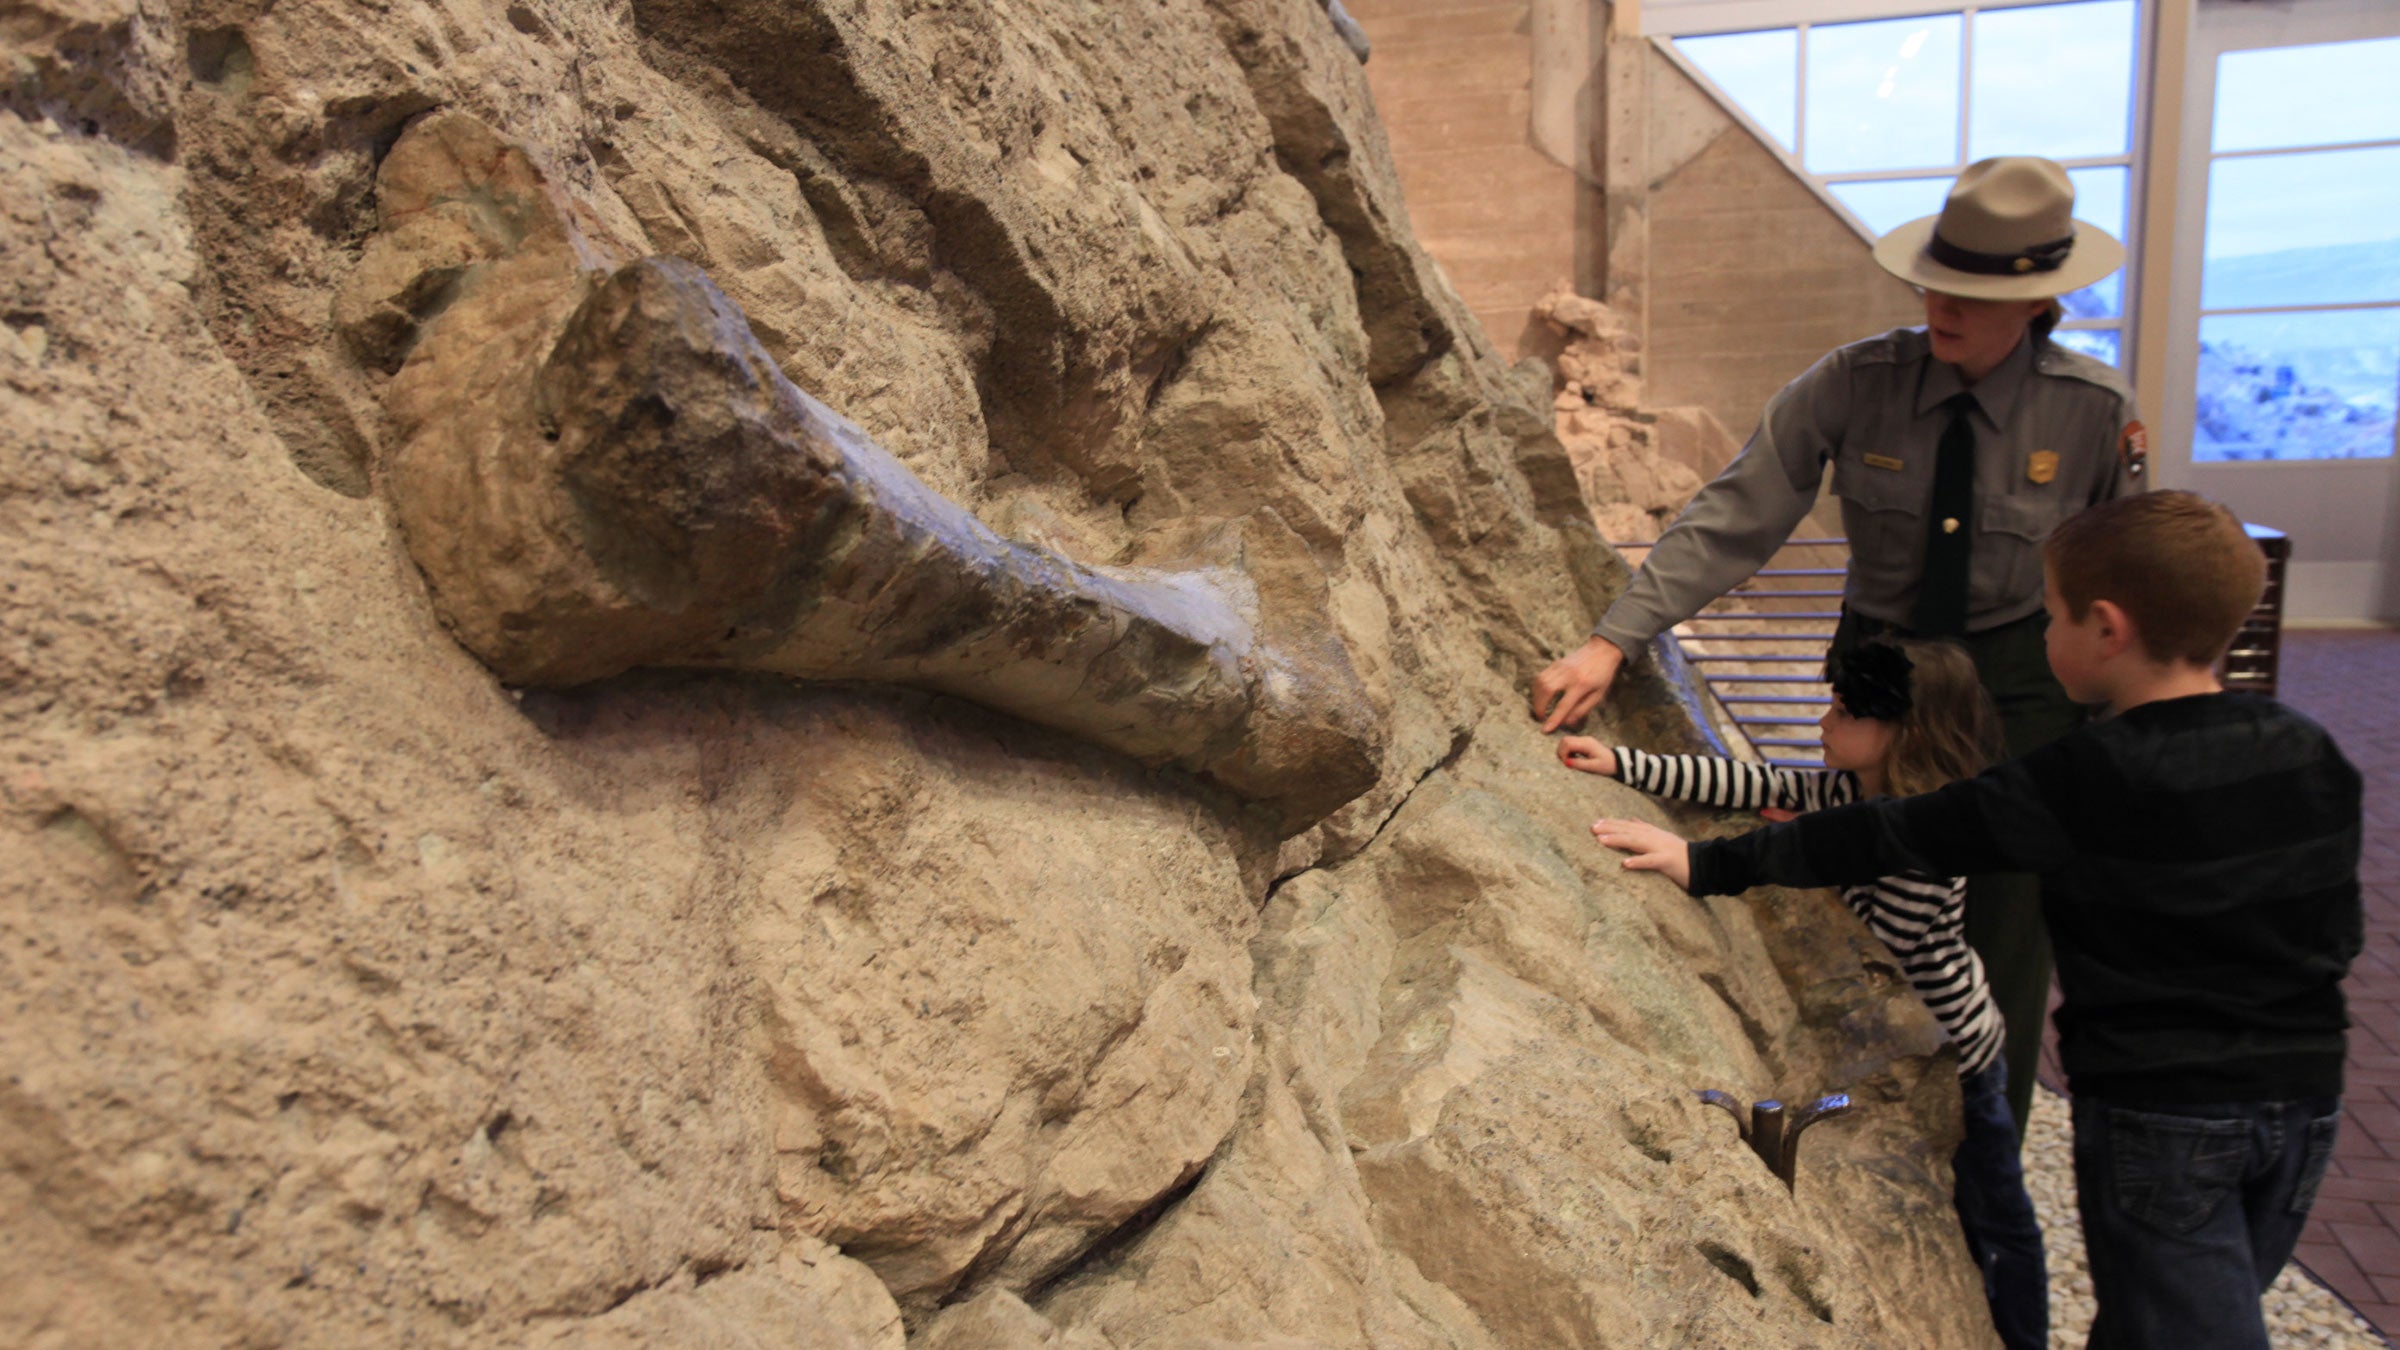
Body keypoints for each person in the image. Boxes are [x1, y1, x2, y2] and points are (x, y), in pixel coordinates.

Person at [1590, 492, 2363, 1350]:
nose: (2040, 635)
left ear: (2106, 629)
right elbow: (2335, 930)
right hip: (2304, 1098)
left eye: (2052, 613)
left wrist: (1710, 863)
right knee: (2175, 1314)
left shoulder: (2087, 776)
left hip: (2166, 1109)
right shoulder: (2307, 748)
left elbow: (1898, 834)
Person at [1532, 156, 2148, 1137]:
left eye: (1973, 294)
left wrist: (2126, 764)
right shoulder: (1857, 384)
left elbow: (2131, 595)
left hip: (2020, 693)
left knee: (2004, 934)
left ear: (2035, 303)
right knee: (1855, 905)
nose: (1940, 304)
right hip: (1883, 686)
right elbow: (1739, 514)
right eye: (1935, 281)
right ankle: (1858, 1141)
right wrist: (1613, 640)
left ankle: (1986, 1152)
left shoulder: (2093, 415)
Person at [1561, 636, 2045, 1348]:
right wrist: (1623, 762)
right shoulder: (1851, 789)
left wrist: (1805, 842)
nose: (1824, 721)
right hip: (1892, 1047)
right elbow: (1752, 786)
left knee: (1997, 1214)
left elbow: (1882, 937)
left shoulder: (1930, 839)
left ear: (1900, 733)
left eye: (1845, 711)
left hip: (1957, 1056)